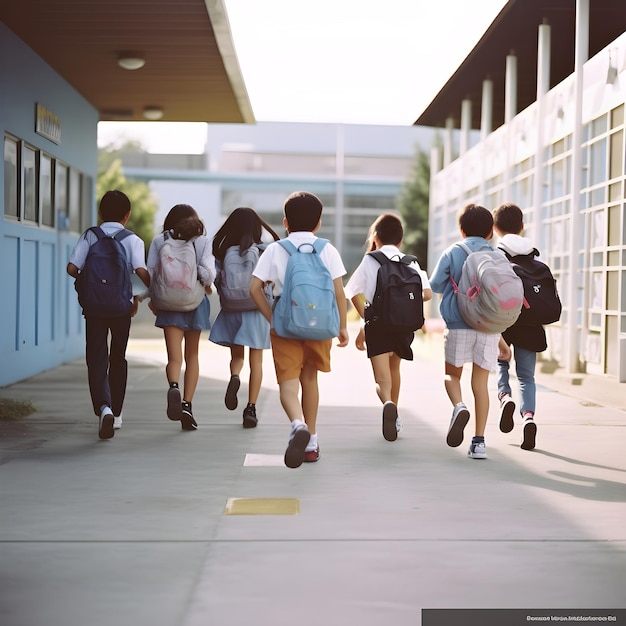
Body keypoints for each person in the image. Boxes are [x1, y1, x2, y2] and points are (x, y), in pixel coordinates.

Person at [249, 191, 349, 468]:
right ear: (318, 223)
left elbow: (254, 289)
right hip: (320, 324)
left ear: (285, 222)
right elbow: (339, 293)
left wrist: (272, 317)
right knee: (310, 380)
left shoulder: (275, 249)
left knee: (287, 384)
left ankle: (296, 424)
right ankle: (312, 441)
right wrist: (341, 326)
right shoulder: (328, 249)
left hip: (286, 323)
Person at [67, 190, 150, 440]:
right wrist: (142, 295)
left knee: (97, 358)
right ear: (127, 215)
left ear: (100, 213)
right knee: (118, 358)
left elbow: (72, 268)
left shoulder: (90, 235)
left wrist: (91, 284)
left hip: (94, 308)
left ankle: (103, 408)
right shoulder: (133, 240)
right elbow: (141, 272)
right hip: (121, 308)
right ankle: (117, 411)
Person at [344, 213, 432, 441]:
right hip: (403, 326)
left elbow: (352, 292)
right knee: (395, 371)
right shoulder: (410, 261)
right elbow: (427, 293)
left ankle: (388, 404)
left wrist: (367, 312)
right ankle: (396, 413)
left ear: (376, 237)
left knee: (381, 380)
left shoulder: (371, 260)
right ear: (400, 241)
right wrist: (404, 301)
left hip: (379, 325)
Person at [428, 203, 499, 460]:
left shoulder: (453, 252)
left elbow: (435, 284)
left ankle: (459, 406)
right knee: (481, 385)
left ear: (461, 229)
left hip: (459, 323)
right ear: (490, 231)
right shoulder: (496, 254)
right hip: (489, 326)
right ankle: (479, 442)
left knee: (452, 376)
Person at [146, 204, 215, 431]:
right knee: (192, 355)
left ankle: (173, 385)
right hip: (194, 302)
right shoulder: (202, 241)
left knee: (174, 358)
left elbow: (152, 273)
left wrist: (152, 299)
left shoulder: (159, 241)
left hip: (168, 302)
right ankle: (186, 404)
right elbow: (208, 274)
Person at [210, 207, 280, 428]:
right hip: (257, 310)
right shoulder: (263, 250)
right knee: (256, 362)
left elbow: (216, 280)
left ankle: (234, 376)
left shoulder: (223, 251)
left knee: (238, 356)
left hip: (232, 310)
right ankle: (250, 408)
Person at [493, 202, 545, 450]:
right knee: (527, 377)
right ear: (522, 226)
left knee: (501, 360)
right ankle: (528, 418)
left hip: (504, 318)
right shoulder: (534, 254)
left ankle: (505, 397)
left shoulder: (496, 253)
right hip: (531, 322)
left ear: (494, 227)